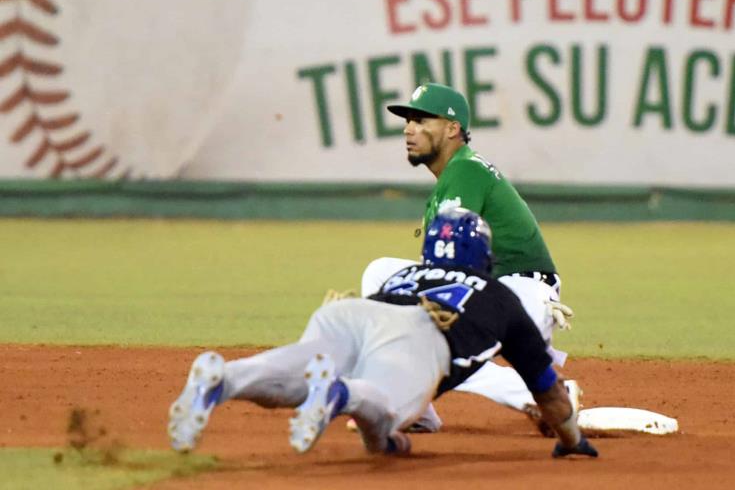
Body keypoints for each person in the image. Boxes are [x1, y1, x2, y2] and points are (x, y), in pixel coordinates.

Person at [167, 208, 597, 459]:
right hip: (418, 333)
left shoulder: (408, 272)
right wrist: (571, 440)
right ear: (484, 255)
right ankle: (338, 395)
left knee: (293, 376)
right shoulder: (500, 297)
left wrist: (391, 444)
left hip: (354, 310)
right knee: (381, 405)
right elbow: (549, 394)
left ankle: (225, 378)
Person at [358, 82, 576, 434]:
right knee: (382, 273)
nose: (408, 129)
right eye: (407, 120)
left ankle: (541, 395)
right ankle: (419, 412)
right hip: (493, 288)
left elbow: (452, 271)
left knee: (444, 344)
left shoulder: (465, 171)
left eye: (421, 120)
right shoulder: (452, 175)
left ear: (452, 128)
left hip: (522, 291)